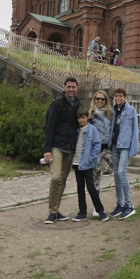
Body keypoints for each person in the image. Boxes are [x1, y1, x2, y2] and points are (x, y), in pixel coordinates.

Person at [43, 77, 81, 223]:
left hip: (70, 147)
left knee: (63, 180)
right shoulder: (57, 104)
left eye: (73, 87)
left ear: (76, 88)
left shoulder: (78, 104)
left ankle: (56, 209)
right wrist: (47, 149)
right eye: (68, 87)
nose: (71, 89)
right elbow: (49, 127)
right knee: (56, 178)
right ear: (64, 87)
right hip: (57, 146)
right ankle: (52, 211)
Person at [72, 107, 109, 222]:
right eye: (79, 118)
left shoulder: (92, 129)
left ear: (87, 117)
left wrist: (92, 158)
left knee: (91, 187)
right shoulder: (76, 130)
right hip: (77, 163)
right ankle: (82, 212)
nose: (81, 120)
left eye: (83, 117)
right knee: (80, 188)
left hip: (87, 163)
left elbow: (97, 145)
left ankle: (100, 210)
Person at [108, 88, 139, 220]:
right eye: (116, 96)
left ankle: (129, 205)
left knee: (121, 172)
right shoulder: (113, 110)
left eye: (120, 96)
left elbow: (135, 130)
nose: (118, 98)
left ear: (125, 97)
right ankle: (120, 203)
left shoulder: (131, 110)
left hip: (125, 145)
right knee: (116, 173)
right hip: (115, 144)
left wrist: (134, 148)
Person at [89, 90, 114, 217]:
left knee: (119, 172)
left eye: (102, 99)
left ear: (106, 101)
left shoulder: (110, 114)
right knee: (96, 179)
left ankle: (121, 203)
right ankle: (96, 207)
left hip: (108, 148)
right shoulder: (91, 116)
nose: (99, 101)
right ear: (94, 100)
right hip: (97, 150)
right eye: (97, 99)